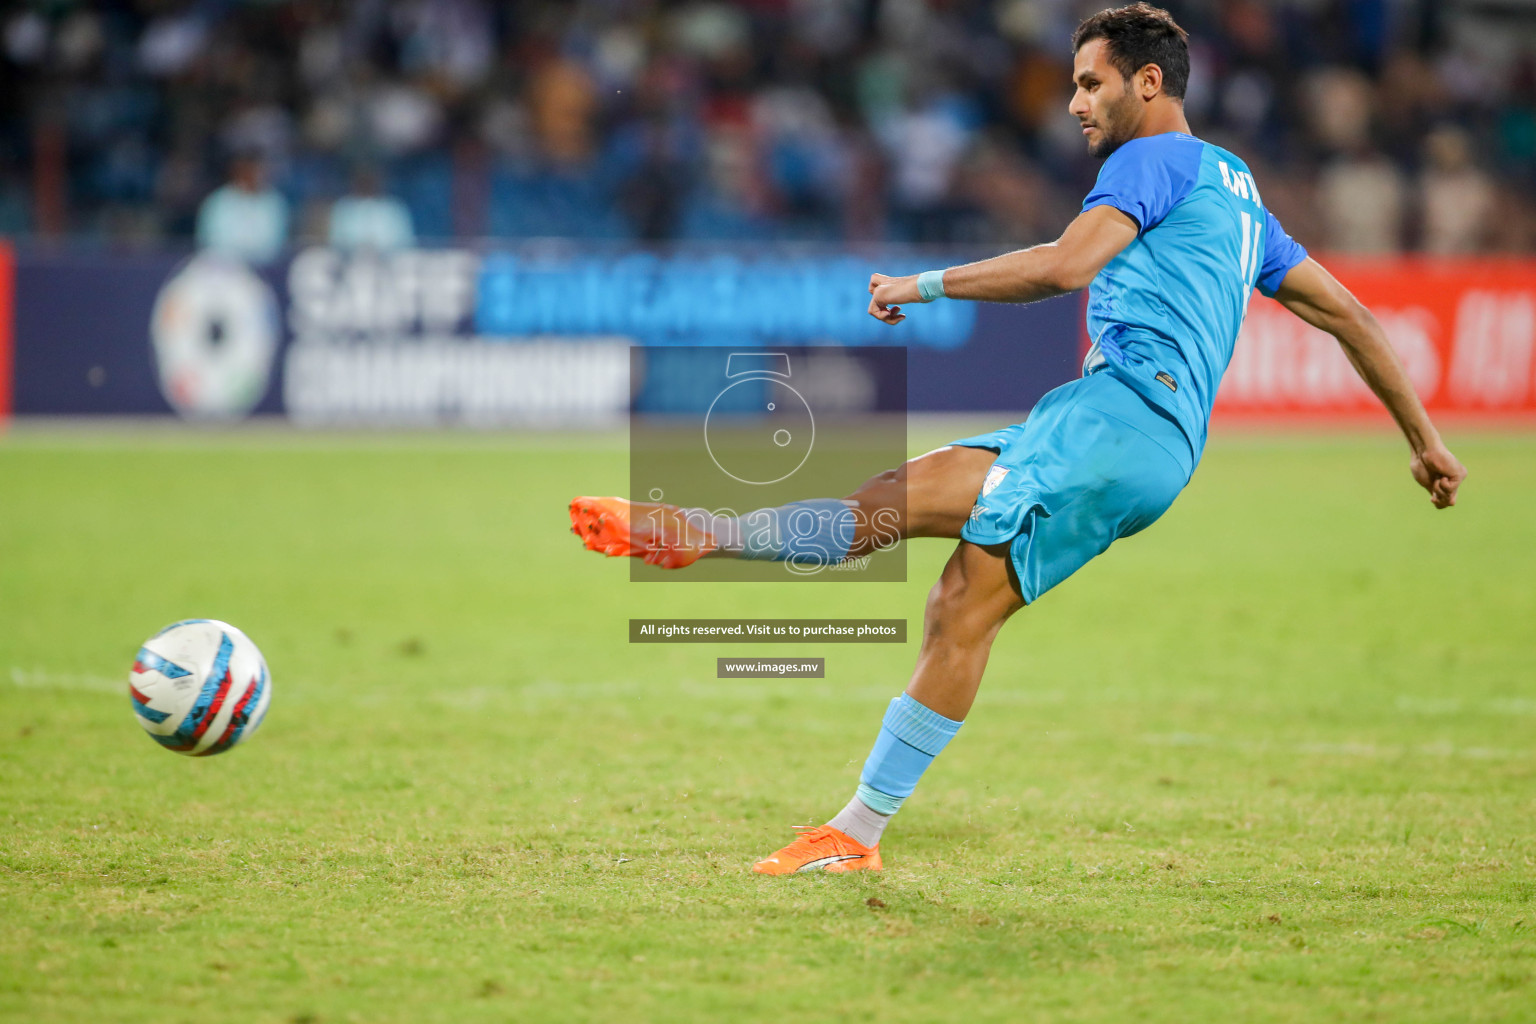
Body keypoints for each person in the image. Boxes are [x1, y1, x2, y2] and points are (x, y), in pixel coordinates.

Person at [567, 3, 1468, 874]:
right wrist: (1423, 440)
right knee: (911, 525)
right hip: (1103, 421)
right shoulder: (1236, 192)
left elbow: (1063, 266)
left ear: (1147, 83)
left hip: (1123, 422)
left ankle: (843, 805)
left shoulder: (1154, 161)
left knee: (955, 587)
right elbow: (1348, 313)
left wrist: (919, 285)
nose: (1074, 102)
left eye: (1090, 83)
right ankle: (711, 547)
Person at [195, 153, 289, 264]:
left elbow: (276, 243)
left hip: (265, 268)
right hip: (225, 267)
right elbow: (210, 239)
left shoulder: (274, 202)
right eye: (246, 170)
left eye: (255, 170)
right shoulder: (218, 201)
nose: (251, 175)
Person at [328, 166, 416, 251]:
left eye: (370, 179)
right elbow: (336, 242)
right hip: (351, 262)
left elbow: (405, 243)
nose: (367, 183)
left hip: (390, 261)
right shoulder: (343, 207)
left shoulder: (395, 207)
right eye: (363, 179)